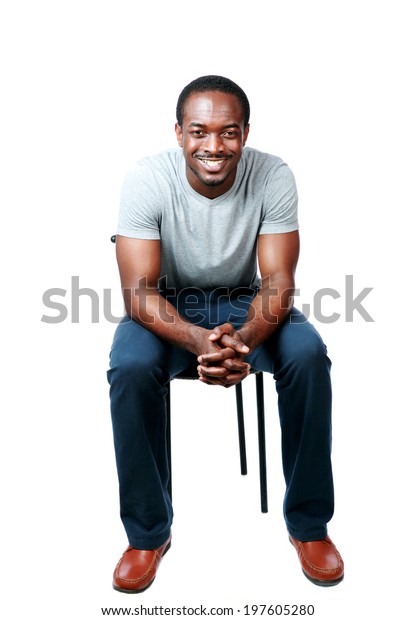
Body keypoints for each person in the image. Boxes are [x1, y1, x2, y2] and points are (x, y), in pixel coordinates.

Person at [107, 75, 344, 592]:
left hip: (247, 300)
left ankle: (309, 526)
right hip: (166, 304)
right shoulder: (146, 179)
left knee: (308, 353)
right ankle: (148, 534)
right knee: (129, 365)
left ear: (245, 133)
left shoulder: (273, 174)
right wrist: (199, 342)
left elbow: (279, 281)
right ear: (178, 133)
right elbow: (138, 293)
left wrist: (243, 340)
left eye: (228, 132)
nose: (213, 146)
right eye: (199, 131)